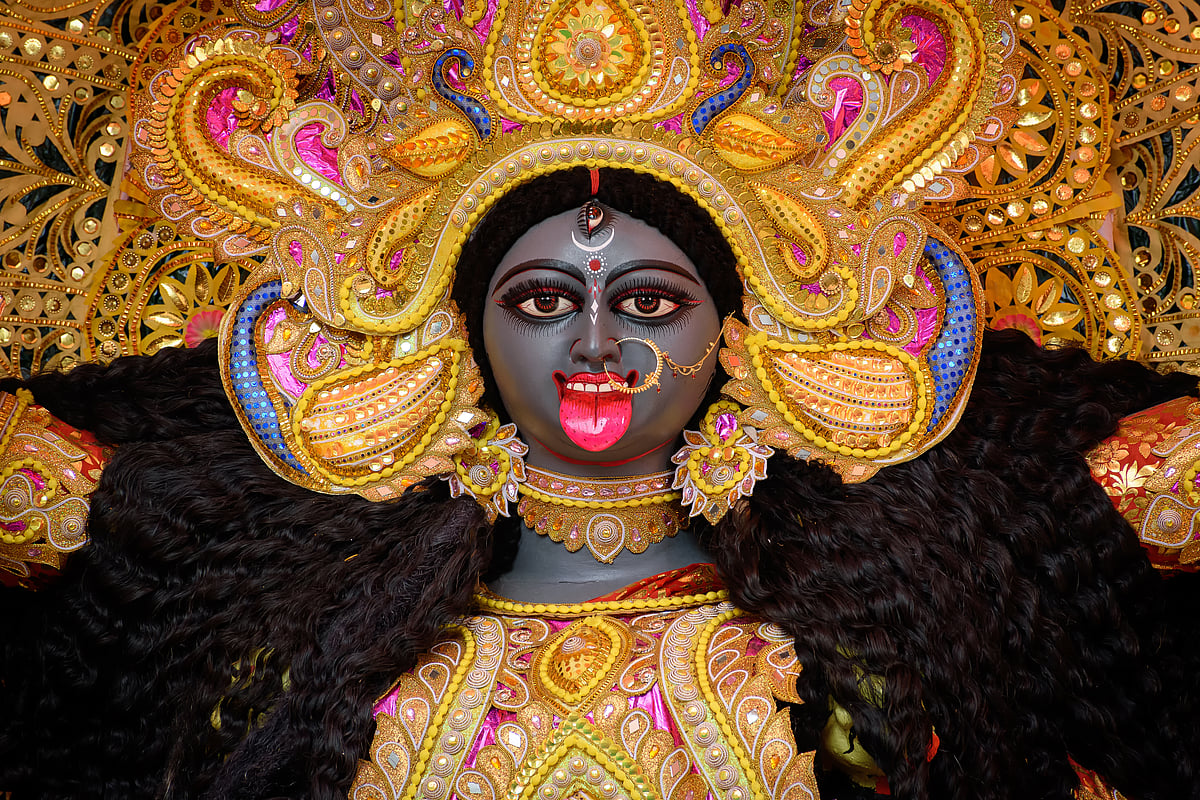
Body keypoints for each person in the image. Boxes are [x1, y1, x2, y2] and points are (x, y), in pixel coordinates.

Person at [2, 166, 1199, 800]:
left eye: (647, 302)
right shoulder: (314, 669)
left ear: (740, 334)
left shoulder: (873, 672)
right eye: (540, 300)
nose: (593, 345)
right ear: (464, 339)